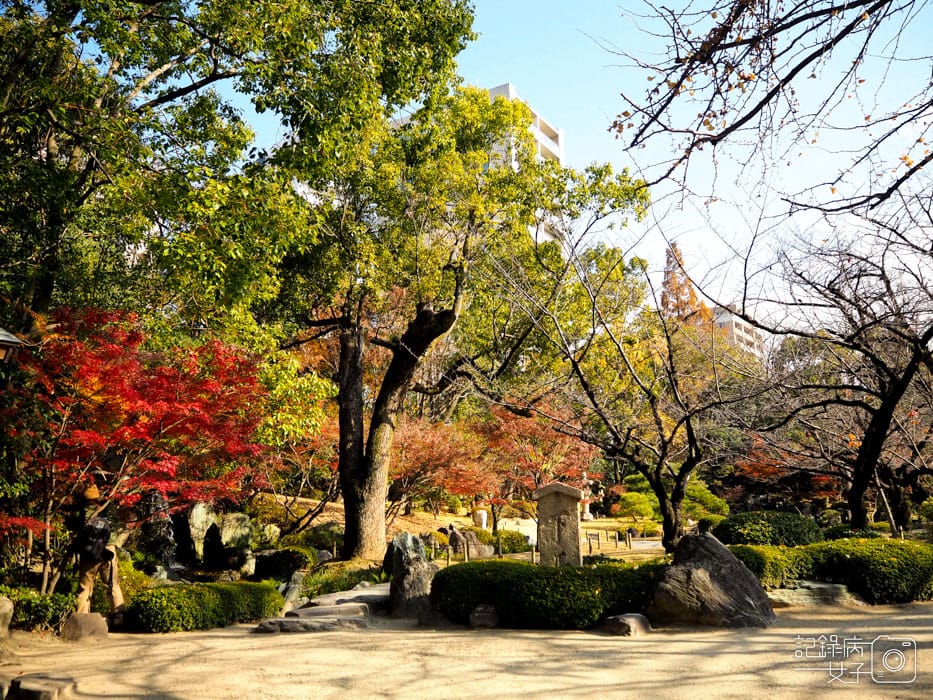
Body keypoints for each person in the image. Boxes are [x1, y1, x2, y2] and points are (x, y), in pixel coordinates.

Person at [72, 485, 125, 623]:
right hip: (109, 551)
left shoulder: (80, 512)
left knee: (85, 587)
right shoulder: (106, 510)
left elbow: (74, 529)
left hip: (90, 552)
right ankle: (120, 617)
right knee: (113, 584)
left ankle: (81, 620)